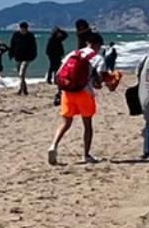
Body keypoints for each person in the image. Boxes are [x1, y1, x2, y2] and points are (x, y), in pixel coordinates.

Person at [48, 31, 103, 165]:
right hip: (85, 93)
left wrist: (60, 90)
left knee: (65, 122)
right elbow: (99, 78)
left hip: (68, 92)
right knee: (87, 125)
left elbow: (60, 73)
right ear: (98, 45)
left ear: (87, 42)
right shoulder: (97, 58)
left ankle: (53, 145)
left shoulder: (73, 53)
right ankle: (86, 155)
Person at [9, 22, 39, 95]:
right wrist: (11, 54)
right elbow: (12, 45)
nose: (23, 30)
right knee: (20, 75)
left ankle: (20, 90)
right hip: (18, 57)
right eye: (21, 29)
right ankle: (24, 89)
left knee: (21, 73)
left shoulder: (30, 36)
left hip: (27, 58)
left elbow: (34, 47)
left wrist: (33, 56)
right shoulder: (16, 35)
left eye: (24, 29)